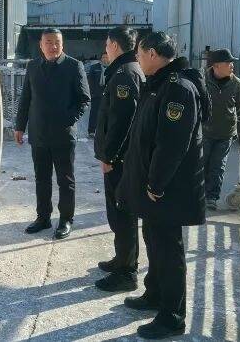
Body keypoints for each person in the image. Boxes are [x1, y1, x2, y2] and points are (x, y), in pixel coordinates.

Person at [117, 32, 210, 340]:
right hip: (153, 188)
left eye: (139, 53)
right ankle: (154, 294)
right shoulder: (158, 83)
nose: (137, 59)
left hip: (167, 190)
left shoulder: (177, 89)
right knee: (154, 241)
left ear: (153, 54)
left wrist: (156, 184)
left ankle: (172, 317)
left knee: (168, 251)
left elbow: (171, 145)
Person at [14, 28, 90, 239]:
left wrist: (67, 120)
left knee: (65, 180)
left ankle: (66, 219)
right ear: (41, 45)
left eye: (57, 42)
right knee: (42, 179)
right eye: (48, 42)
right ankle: (43, 218)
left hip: (63, 135)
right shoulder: (33, 66)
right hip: (38, 134)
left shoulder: (73, 66)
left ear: (62, 44)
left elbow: (84, 99)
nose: (53, 46)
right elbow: (26, 98)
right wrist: (20, 126)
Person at [92, 27, 144, 293]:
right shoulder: (127, 70)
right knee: (119, 215)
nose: (105, 48)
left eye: (107, 44)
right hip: (121, 158)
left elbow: (122, 122)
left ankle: (126, 273)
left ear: (113, 44)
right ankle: (122, 259)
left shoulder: (124, 74)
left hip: (120, 161)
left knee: (122, 215)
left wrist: (110, 156)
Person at [202, 48, 240, 210]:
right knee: (201, 164)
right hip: (204, 132)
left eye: (232, 62)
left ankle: (211, 197)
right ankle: (198, 195)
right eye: (228, 63)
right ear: (216, 66)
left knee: (218, 166)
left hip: (226, 133)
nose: (232, 65)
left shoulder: (236, 84)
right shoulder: (202, 80)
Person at [86, 52, 110, 137]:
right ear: (101, 59)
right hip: (96, 95)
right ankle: (91, 131)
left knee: (107, 114)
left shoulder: (112, 68)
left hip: (108, 96)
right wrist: (92, 93)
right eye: (103, 57)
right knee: (94, 113)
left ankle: (104, 132)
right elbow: (90, 81)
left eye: (107, 57)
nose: (105, 59)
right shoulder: (94, 67)